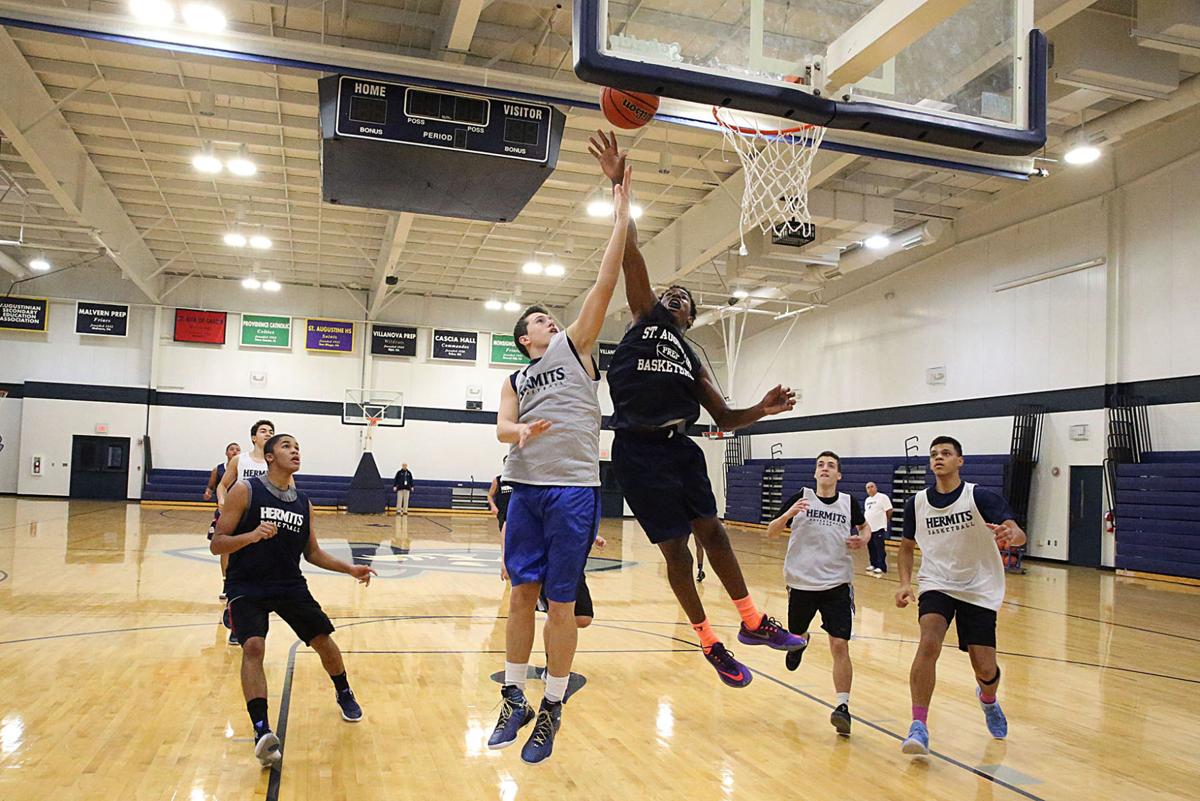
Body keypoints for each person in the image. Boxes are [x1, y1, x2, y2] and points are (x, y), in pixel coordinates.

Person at [589, 129, 805, 689]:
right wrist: (618, 188)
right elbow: (631, 251)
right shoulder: (644, 317)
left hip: (679, 447)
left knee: (715, 532)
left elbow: (725, 419)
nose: (676, 297)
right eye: (672, 293)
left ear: (690, 318)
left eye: (685, 300)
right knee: (677, 553)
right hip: (635, 450)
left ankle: (752, 622)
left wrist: (761, 409)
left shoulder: (692, 355)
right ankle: (709, 639)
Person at [487, 165, 633, 764]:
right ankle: (513, 697)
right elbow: (502, 426)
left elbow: (605, 280)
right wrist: (519, 429)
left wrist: (621, 211)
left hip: (573, 488)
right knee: (521, 595)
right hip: (525, 489)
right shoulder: (516, 378)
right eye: (540, 320)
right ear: (525, 339)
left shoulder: (575, 348)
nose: (551, 320)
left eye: (552, 317)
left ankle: (551, 705)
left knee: (563, 603)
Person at [211, 433, 377, 768]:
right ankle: (261, 729)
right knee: (253, 647)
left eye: (298, 447)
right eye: (287, 446)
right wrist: (252, 536)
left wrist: (349, 568)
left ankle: (344, 691)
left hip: (288, 584)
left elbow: (312, 552)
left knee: (323, 640)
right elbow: (218, 543)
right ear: (270, 457)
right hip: (247, 584)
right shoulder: (245, 490)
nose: (295, 451)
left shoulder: (303, 502)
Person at [895, 436, 1027, 756]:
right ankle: (918, 725)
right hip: (937, 582)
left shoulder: (979, 496)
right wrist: (904, 582)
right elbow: (906, 546)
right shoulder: (917, 503)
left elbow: (1018, 533)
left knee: (985, 669)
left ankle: (988, 699)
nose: (938, 458)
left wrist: (1012, 535)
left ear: (960, 461)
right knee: (929, 641)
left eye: (946, 453)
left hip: (978, 587)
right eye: (934, 454)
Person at [766, 451, 870, 735]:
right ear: (815, 473)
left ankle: (842, 707)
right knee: (796, 634)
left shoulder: (848, 502)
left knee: (840, 644)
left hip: (837, 583)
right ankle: (801, 642)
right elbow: (771, 532)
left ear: (839, 475)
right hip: (802, 582)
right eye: (820, 465)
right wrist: (789, 514)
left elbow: (865, 527)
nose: (825, 468)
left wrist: (863, 539)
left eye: (831, 465)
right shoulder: (802, 497)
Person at [215, 420, 275, 641]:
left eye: (271, 431)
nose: (268, 434)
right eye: (263, 431)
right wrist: (223, 501)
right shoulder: (240, 460)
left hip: (265, 521)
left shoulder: (275, 462)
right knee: (237, 567)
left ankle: (250, 622)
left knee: (259, 572)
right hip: (241, 519)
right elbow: (222, 485)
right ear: (253, 437)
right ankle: (235, 622)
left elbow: (290, 488)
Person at [204, 442, 241, 599]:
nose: (235, 451)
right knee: (225, 548)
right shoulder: (218, 470)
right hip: (223, 513)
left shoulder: (243, 468)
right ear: (226, 453)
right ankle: (226, 583)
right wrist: (208, 492)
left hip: (241, 512)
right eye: (232, 449)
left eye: (237, 449)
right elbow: (212, 486)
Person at [864, 481, 894, 575]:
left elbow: (889, 510)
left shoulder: (882, 497)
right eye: (868, 488)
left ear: (876, 487)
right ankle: (873, 564)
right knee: (871, 547)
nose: (870, 489)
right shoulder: (867, 500)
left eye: (872, 486)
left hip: (879, 527)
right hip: (869, 528)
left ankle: (881, 566)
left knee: (879, 548)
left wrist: (886, 520)